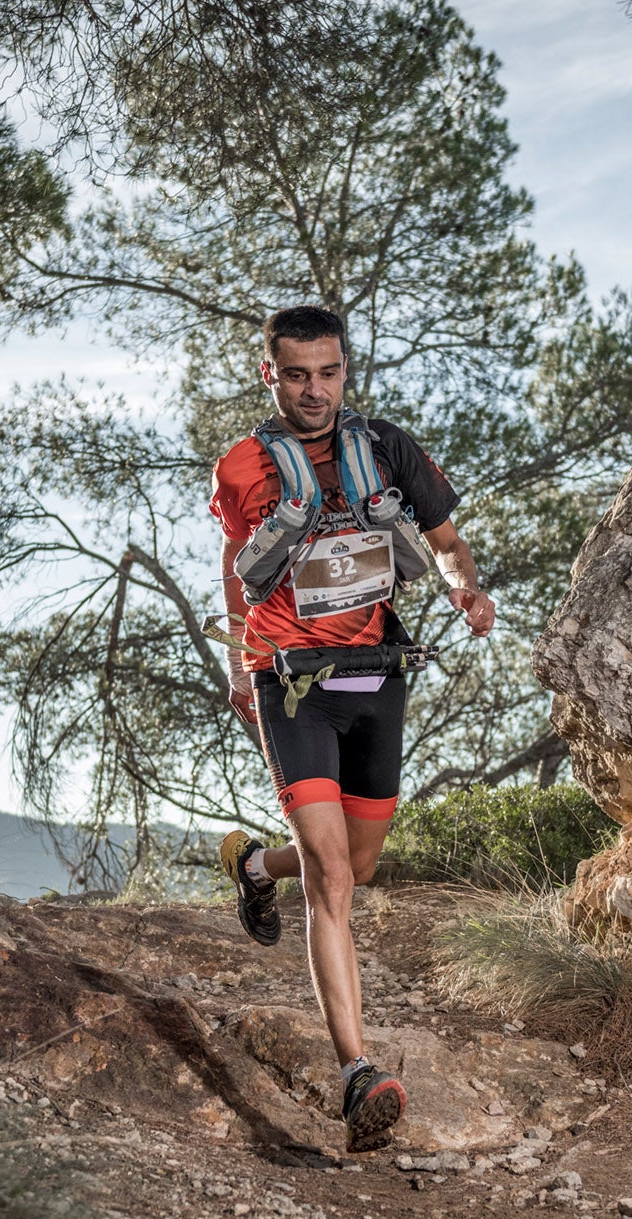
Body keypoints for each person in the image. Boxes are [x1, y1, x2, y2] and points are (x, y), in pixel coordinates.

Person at [210, 305, 495, 1148]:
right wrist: (237, 665)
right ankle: (357, 1073)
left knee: (357, 864)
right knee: (332, 875)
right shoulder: (245, 466)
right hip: (291, 685)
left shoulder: (389, 449)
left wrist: (461, 589)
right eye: (296, 374)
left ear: (345, 370)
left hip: (376, 677)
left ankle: (257, 866)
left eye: (328, 372)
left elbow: (446, 542)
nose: (314, 389)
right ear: (271, 374)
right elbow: (236, 571)